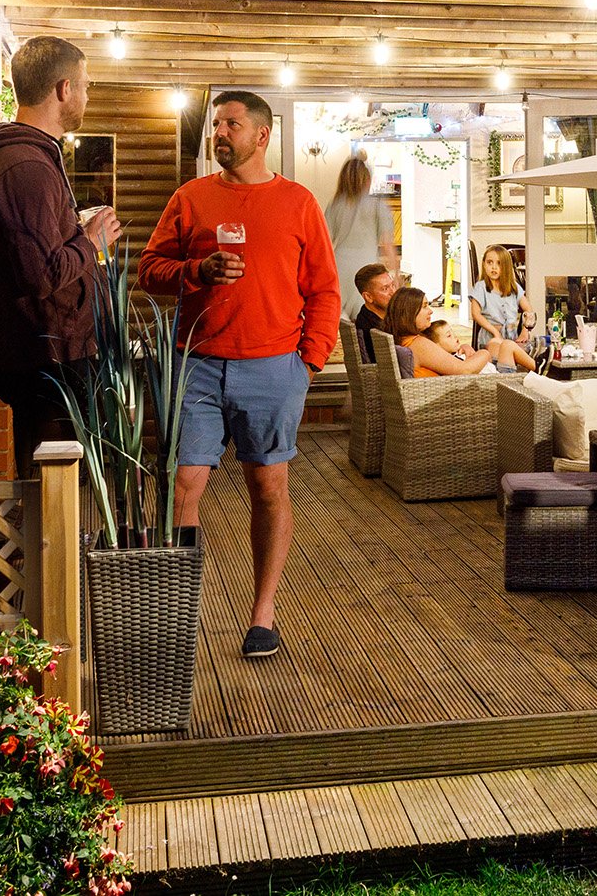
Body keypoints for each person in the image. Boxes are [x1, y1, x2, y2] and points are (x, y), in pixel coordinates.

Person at [138, 90, 340, 660]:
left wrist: (309, 363)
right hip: (196, 364)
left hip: (274, 367)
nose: (219, 133)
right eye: (215, 124)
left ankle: (263, 616)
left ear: (262, 135)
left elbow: (323, 289)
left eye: (231, 124)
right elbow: (150, 270)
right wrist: (196, 271)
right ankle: (178, 613)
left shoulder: (298, 203)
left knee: (268, 486)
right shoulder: (191, 197)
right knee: (184, 486)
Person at [0, 35, 123, 461]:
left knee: (53, 479)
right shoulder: (25, 166)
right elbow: (40, 274)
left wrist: (75, 228)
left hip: (49, 354)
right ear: (64, 89)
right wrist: (92, 242)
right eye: (85, 85)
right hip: (46, 358)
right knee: (52, 485)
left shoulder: (29, 159)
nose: (87, 95)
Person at [323, 154, 398, 314]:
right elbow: (387, 245)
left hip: (339, 266)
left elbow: (325, 241)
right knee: (364, 317)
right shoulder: (377, 205)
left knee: (342, 322)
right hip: (366, 268)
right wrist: (395, 275)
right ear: (367, 180)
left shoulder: (335, 204)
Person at [385, 286, 496, 377]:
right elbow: (465, 370)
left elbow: (440, 357)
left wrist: (463, 347)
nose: (430, 311)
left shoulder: (403, 339)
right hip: (446, 399)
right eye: (424, 307)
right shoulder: (419, 344)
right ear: (408, 313)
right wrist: (484, 353)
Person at [465, 246, 540, 372]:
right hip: (490, 337)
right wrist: (495, 332)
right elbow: (476, 314)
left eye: (499, 264)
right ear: (484, 264)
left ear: (506, 267)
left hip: (512, 337)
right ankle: (508, 374)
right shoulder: (481, 287)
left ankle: (530, 370)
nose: (493, 267)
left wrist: (525, 330)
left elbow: (529, 310)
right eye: (490, 262)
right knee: (496, 347)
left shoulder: (514, 287)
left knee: (526, 347)